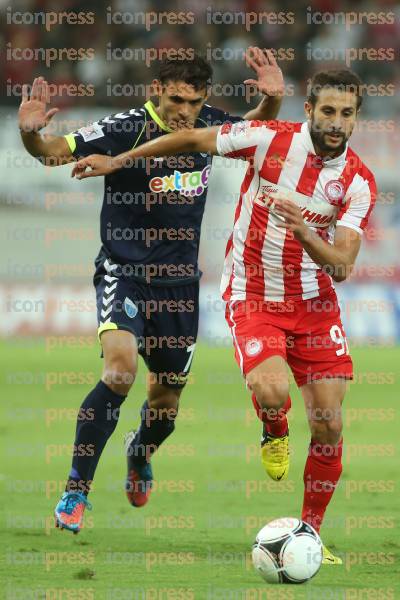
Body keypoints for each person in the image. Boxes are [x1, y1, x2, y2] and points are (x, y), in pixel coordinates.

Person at [72, 69, 377, 564]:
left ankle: (310, 534)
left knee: (329, 425)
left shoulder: (359, 181)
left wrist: (301, 228)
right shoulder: (266, 139)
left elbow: (341, 265)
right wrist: (120, 160)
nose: (336, 122)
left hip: (315, 305)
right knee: (273, 391)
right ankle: (273, 429)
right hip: (253, 293)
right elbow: (191, 137)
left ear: (356, 117)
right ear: (309, 111)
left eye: (346, 113)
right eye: (328, 111)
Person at [18, 49, 285, 533]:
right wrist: (31, 134)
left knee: (164, 406)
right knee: (119, 372)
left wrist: (272, 100)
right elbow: (56, 152)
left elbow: (252, 128)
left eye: (194, 101)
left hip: (180, 287)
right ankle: (76, 490)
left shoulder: (206, 124)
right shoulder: (125, 127)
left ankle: (140, 453)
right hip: (126, 272)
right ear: (155, 91)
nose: (186, 110)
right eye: (177, 99)